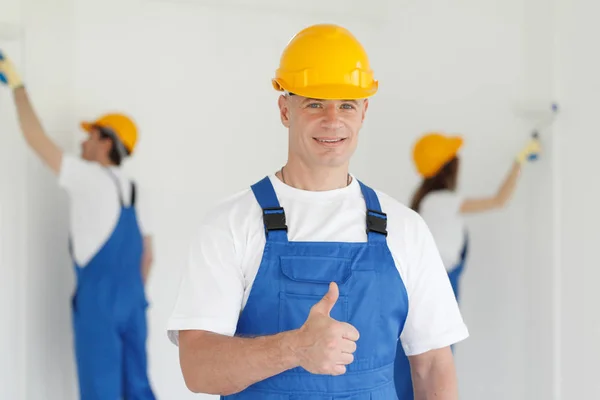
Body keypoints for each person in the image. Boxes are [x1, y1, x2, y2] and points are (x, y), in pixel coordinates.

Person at [166, 24, 468, 400]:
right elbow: (197, 369)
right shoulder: (230, 224)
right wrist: (294, 348)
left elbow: (434, 366)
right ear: (284, 109)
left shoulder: (405, 229)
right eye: (314, 103)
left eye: (346, 104)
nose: (332, 119)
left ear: (364, 112)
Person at [0, 52, 156, 399]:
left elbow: (35, 137)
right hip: (133, 301)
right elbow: (147, 256)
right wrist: (129, 295)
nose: (83, 142)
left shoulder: (88, 178)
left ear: (106, 142)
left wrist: (18, 87)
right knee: (138, 388)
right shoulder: (134, 190)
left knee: (101, 391)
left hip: (99, 302)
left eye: (90, 135)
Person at [410, 132, 541, 302]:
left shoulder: (429, 202)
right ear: (449, 168)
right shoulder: (441, 201)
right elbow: (499, 201)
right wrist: (519, 161)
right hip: (438, 285)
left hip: (433, 282)